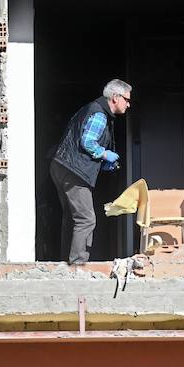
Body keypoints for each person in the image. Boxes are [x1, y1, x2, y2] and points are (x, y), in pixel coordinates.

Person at [50, 79, 132, 263]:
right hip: (73, 171)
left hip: (62, 166)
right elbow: (87, 142)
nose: (128, 104)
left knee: (73, 218)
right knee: (86, 219)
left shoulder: (90, 109)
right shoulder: (99, 115)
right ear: (115, 98)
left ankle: (67, 261)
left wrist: (101, 159)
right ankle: (78, 264)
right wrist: (104, 154)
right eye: (126, 99)